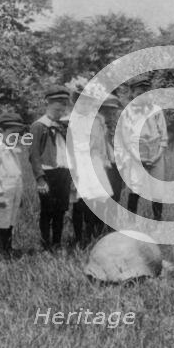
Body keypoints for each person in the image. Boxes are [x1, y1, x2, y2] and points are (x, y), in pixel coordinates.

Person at [67, 84, 113, 248]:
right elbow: (69, 147)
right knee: (80, 202)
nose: (85, 105)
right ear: (75, 103)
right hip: (79, 161)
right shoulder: (71, 121)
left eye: (88, 102)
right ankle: (79, 238)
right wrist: (73, 169)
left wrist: (104, 159)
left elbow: (101, 142)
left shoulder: (97, 119)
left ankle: (93, 233)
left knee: (97, 199)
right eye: (81, 102)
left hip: (94, 161)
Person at [116, 76, 168, 220]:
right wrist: (139, 159)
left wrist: (157, 156)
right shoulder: (127, 112)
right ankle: (131, 224)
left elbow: (164, 136)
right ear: (132, 93)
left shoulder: (156, 110)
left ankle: (158, 223)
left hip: (156, 153)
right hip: (137, 154)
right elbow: (126, 139)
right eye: (139, 93)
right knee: (136, 189)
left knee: (157, 190)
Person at [29, 86, 73, 252]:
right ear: (48, 105)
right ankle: (45, 244)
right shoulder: (39, 126)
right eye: (57, 107)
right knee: (47, 210)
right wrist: (40, 178)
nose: (60, 110)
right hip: (48, 174)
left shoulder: (64, 126)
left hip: (63, 172)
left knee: (61, 210)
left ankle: (57, 242)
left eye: (63, 107)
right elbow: (33, 155)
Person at [0, 113, 26, 259]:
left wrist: (19, 194)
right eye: (12, 133)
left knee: (11, 221)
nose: (15, 137)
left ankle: (8, 248)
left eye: (17, 134)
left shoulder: (11, 148)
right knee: (2, 222)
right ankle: (0, 253)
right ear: (2, 131)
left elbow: (17, 171)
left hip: (14, 190)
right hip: (3, 192)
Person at [99, 94, 124, 204]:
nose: (110, 116)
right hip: (101, 165)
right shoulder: (96, 127)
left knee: (116, 193)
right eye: (106, 112)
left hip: (116, 164)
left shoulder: (118, 127)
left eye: (113, 113)